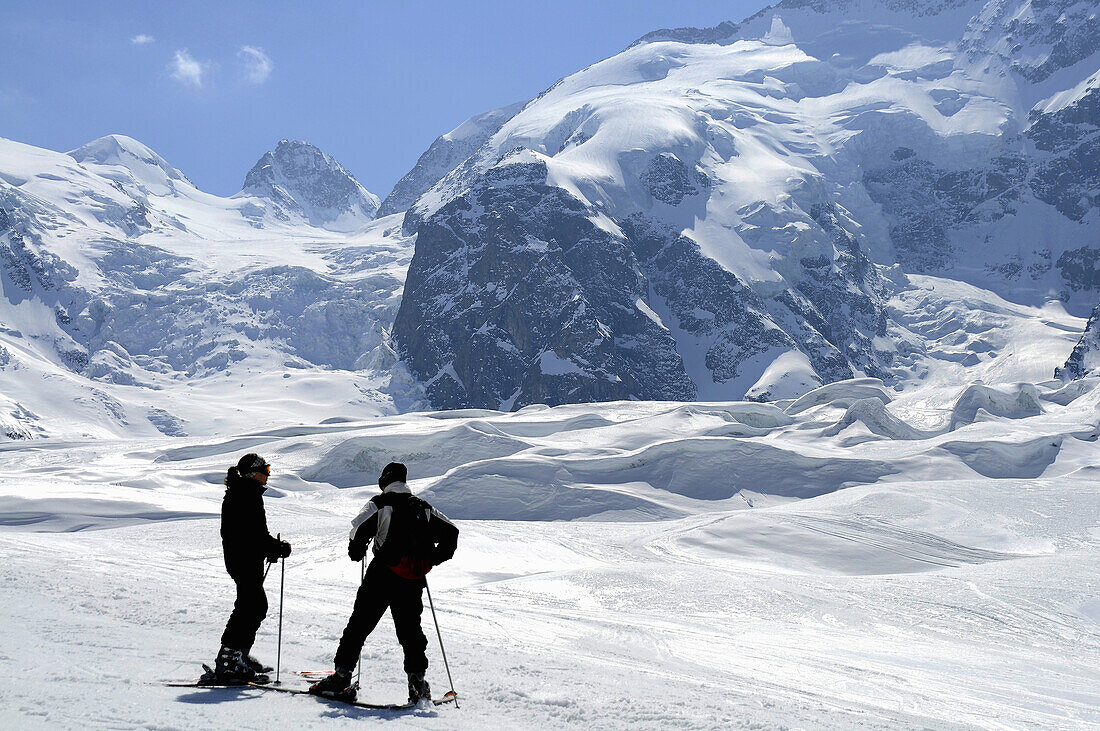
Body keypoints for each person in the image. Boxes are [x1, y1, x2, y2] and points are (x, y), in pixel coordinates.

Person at [310, 462, 459, 703]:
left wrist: (356, 552)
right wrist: (431, 561)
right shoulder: (423, 507)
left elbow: (357, 528)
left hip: (382, 574)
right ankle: (417, 683)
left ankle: (341, 677)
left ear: (385, 481)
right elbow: (452, 532)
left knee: (359, 626)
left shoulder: (379, 503)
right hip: (412, 578)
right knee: (411, 631)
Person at [212, 453, 291, 681]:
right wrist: (276, 547)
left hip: (244, 557)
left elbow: (253, 533)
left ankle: (238, 655)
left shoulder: (245, 492)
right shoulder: (246, 494)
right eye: (265, 469)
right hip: (243, 559)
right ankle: (229, 660)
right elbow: (253, 534)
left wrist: (270, 548)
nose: (268, 474)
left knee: (253, 605)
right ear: (253, 473)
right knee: (251, 606)